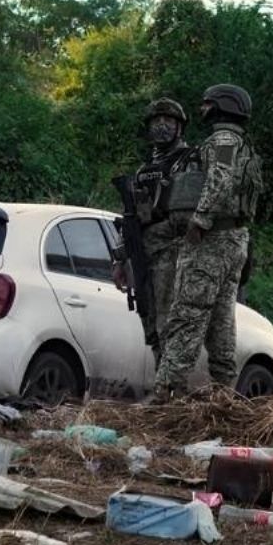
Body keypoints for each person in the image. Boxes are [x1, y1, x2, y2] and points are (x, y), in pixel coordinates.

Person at [152, 84, 262, 401]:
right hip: (235, 240)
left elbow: (221, 178)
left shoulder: (223, 141)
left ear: (222, 106)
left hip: (213, 240)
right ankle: (223, 393)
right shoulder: (242, 143)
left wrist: (200, 220)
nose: (202, 109)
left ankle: (166, 390)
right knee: (221, 320)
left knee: (188, 312)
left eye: (206, 104)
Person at [113, 98, 196, 360]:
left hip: (173, 253)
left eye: (168, 121)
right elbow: (130, 217)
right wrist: (121, 258)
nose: (161, 126)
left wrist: (153, 234)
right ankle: (164, 382)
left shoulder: (188, 161)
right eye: (156, 121)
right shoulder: (143, 171)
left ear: (180, 127)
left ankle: (170, 388)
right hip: (145, 255)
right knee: (149, 321)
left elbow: (187, 217)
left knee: (168, 322)